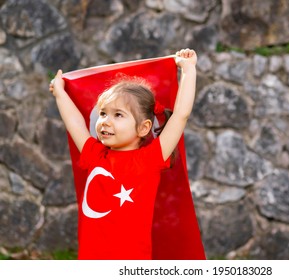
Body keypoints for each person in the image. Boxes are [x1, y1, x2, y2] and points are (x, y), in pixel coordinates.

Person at [49, 48, 197, 259]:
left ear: (144, 128)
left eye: (118, 115)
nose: (105, 121)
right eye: (102, 113)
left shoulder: (150, 159)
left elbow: (181, 115)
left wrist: (188, 70)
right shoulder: (95, 154)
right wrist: (60, 93)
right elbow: (74, 123)